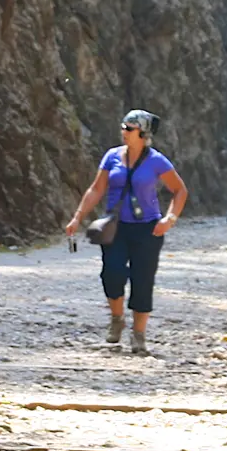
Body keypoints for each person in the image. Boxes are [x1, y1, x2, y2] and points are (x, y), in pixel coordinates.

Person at [62, 109, 188, 355]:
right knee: (112, 273)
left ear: (142, 133)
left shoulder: (156, 161)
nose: (124, 132)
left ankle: (139, 335)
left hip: (147, 229)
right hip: (116, 227)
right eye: (123, 127)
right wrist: (77, 218)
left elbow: (179, 190)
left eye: (129, 129)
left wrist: (170, 219)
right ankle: (117, 318)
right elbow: (96, 189)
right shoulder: (112, 157)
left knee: (143, 280)